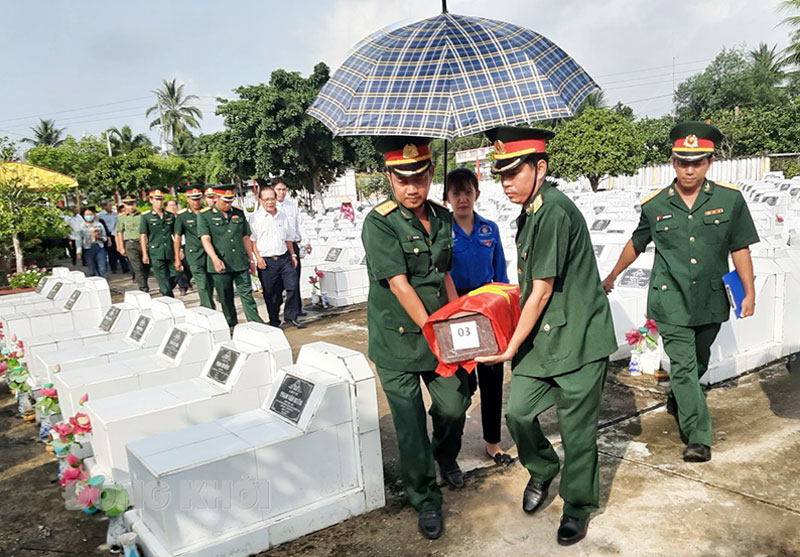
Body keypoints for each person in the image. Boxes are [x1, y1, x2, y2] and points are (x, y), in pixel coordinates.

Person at [475, 127, 617, 546]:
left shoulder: (553, 210)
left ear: (540, 167)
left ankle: (576, 505)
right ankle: (541, 467)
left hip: (579, 338)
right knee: (518, 412)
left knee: (577, 433)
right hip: (546, 336)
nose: (504, 183)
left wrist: (510, 347)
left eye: (513, 172)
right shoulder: (532, 210)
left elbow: (539, 292)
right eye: (499, 174)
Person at [602, 121, 759, 463]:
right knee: (684, 367)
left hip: (710, 299)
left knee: (698, 361)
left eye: (697, 161)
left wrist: (749, 292)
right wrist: (613, 274)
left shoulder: (729, 200)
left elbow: (740, 248)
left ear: (709, 162)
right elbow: (636, 243)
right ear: (672, 161)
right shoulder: (655, 205)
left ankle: (679, 398)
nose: (690, 169)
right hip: (669, 299)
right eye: (682, 161)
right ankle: (698, 437)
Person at [361, 136, 469, 540]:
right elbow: (400, 284)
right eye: (403, 179)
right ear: (389, 177)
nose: (412, 188)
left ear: (430, 175)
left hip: (438, 333)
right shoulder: (379, 222)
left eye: (420, 178)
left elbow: (444, 274)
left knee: (454, 405)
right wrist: (434, 330)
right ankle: (425, 498)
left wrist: (457, 321)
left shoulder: (441, 218)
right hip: (398, 342)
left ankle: (445, 456)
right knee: (410, 426)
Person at [444, 167, 512, 466]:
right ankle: (449, 447)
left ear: (477, 194)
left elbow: (501, 274)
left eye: (467, 192)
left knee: (493, 376)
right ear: (447, 197)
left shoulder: (489, 229)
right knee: (459, 381)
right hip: (455, 307)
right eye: (456, 193)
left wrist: (503, 309)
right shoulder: (441, 231)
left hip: (486, 307)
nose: (462, 199)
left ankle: (493, 442)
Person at [198, 187, 264, 329]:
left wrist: (251, 258)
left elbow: (245, 237)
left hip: (240, 262)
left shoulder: (238, 213)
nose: (228, 204)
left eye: (230, 201)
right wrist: (214, 259)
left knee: (247, 295)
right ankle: (231, 325)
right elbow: (205, 239)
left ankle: (256, 324)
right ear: (216, 198)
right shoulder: (205, 216)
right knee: (226, 298)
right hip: (221, 263)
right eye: (225, 201)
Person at [249, 185, 303, 328]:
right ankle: (274, 320)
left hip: (284, 258)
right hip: (267, 261)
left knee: (292, 286)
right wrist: (257, 258)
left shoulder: (282, 216)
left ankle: (291, 316)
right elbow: (252, 241)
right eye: (266, 199)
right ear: (260, 200)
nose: (270, 202)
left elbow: (288, 237)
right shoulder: (255, 219)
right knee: (272, 294)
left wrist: (293, 255)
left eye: (272, 199)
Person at [273, 177, 312, 316]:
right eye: (279, 189)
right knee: (281, 282)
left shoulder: (291, 205)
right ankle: (278, 310)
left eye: (284, 189)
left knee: (295, 278)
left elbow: (299, 224)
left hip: (293, 245)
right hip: (278, 246)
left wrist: (306, 241)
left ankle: (296, 309)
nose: (281, 192)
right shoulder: (270, 206)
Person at [174, 186, 215, 309]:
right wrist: (177, 257)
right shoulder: (182, 216)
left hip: (209, 253)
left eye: (198, 198)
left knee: (210, 283)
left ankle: (208, 306)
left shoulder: (208, 212)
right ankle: (208, 309)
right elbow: (177, 237)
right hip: (194, 254)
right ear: (187, 199)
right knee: (201, 284)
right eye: (193, 199)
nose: (195, 201)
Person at [139, 189, 175, 297]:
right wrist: (144, 253)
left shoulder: (169, 215)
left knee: (176, 274)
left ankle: (167, 290)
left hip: (169, 250)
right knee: (162, 277)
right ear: (151, 200)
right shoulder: (146, 216)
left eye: (160, 199)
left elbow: (175, 234)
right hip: (156, 251)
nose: (159, 202)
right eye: (156, 199)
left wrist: (179, 250)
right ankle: (168, 297)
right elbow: (143, 235)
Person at [116, 195, 149, 290]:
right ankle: (143, 289)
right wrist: (121, 247)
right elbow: (119, 232)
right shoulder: (122, 218)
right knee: (137, 268)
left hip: (143, 243)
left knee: (146, 267)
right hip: (130, 244)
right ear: (124, 205)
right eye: (127, 204)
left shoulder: (142, 216)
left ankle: (144, 282)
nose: (130, 206)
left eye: (132, 204)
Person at [166, 198, 191, 295]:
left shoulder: (181, 217)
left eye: (174, 205)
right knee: (178, 268)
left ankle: (185, 282)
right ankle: (182, 287)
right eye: (170, 205)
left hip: (185, 244)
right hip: (173, 246)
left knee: (189, 267)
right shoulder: (167, 218)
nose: (173, 207)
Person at [77, 207, 108, 278]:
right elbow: (78, 239)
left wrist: (98, 237)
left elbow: (105, 238)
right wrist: (78, 251)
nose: (89, 216)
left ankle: (103, 281)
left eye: (90, 214)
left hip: (99, 247)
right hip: (88, 248)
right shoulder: (81, 226)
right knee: (91, 269)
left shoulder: (99, 225)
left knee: (102, 267)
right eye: (87, 215)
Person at [98, 200, 127, 274]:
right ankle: (113, 267)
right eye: (109, 205)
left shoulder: (115, 214)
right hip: (107, 235)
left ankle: (125, 267)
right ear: (104, 207)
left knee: (120, 250)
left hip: (116, 234)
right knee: (111, 252)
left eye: (111, 205)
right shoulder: (100, 215)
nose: (111, 207)